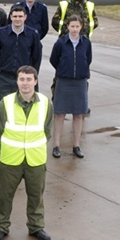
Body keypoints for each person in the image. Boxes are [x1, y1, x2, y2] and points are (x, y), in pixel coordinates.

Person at [0, 66, 53, 240]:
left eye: (28, 79)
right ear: (17, 81)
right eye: (22, 79)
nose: (25, 83)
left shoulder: (45, 103)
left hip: (35, 159)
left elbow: (47, 130)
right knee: (4, 195)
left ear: (36, 81)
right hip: (11, 158)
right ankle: (1, 226)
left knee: (36, 196)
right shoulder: (6, 103)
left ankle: (36, 226)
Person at [0, 5, 42, 157]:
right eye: (15, 16)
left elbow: (36, 57)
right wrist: (2, 65)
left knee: (25, 112)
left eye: (20, 16)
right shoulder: (1, 34)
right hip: (5, 78)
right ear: (10, 17)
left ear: (25, 17)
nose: (17, 19)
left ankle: (23, 143)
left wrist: (30, 76)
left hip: (25, 81)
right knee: (2, 111)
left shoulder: (32, 35)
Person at [49, 16, 92, 159]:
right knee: (60, 113)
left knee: (78, 114)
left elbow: (88, 58)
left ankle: (76, 145)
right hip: (64, 81)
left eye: (77, 26)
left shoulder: (86, 43)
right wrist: (64, 70)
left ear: (81, 27)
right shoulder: (60, 43)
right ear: (67, 27)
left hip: (80, 82)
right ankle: (56, 145)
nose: (74, 29)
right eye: (72, 26)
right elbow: (54, 59)